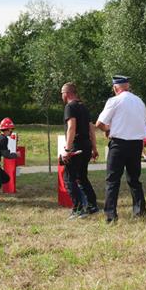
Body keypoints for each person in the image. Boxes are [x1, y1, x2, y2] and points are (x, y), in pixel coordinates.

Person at [95, 75, 146, 224]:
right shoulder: (139, 101)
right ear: (128, 86)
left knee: (112, 181)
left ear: (115, 87)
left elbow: (99, 123)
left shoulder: (114, 101)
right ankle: (140, 212)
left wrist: (108, 129)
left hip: (119, 144)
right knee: (134, 180)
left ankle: (111, 215)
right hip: (136, 144)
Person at [60, 83, 99, 218]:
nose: (61, 96)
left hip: (76, 146)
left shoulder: (70, 107)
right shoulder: (83, 107)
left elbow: (71, 127)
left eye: (62, 93)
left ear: (67, 93)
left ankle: (78, 209)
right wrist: (94, 147)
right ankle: (92, 206)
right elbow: (91, 129)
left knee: (68, 178)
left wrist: (67, 149)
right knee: (82, 177)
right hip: (86, 146)